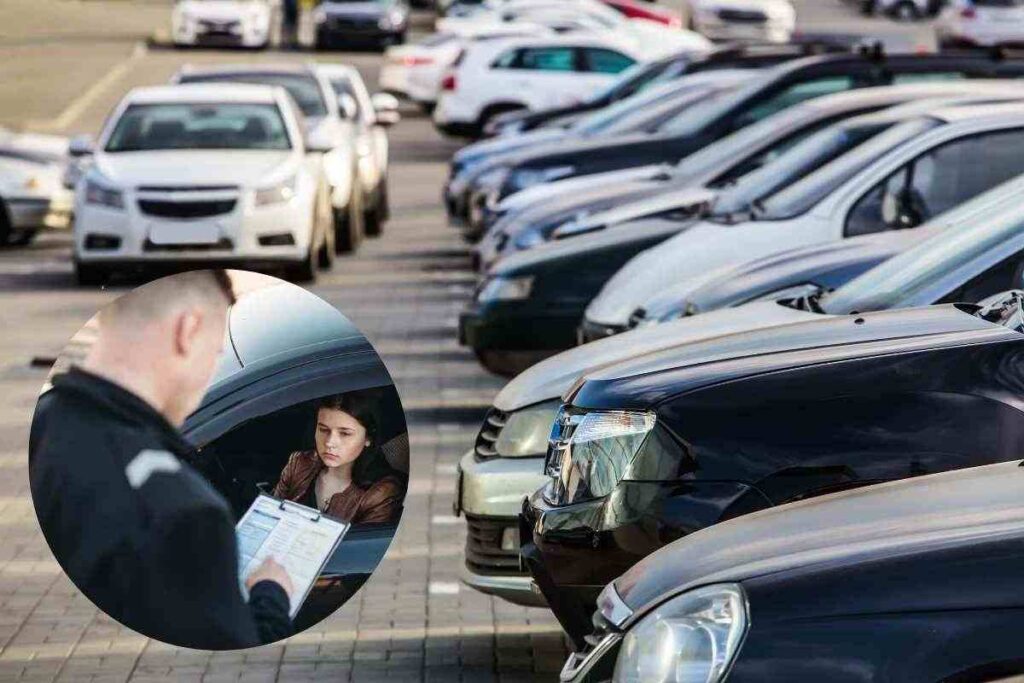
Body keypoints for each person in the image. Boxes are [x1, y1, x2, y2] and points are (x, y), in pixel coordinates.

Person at [29, 270, 295, 650]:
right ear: (188, 331)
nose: (210, 370)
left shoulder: (43, 422)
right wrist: (271, 597)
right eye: (217, 351)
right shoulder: (186, 514)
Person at [273, 393, 403, 524]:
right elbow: (270, 516)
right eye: (323, 430)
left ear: (368, 438)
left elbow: (364, 544)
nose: (329, 443)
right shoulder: (299, 463)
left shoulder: (380, 492)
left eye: (345, 434)